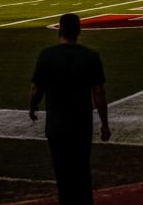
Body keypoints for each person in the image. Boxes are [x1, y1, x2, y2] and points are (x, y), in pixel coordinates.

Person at [29, 13, 111, 205]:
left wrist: (32, 109)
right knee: (82, 171)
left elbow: (36, 89)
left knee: (62, 174)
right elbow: (99, 92)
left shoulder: (47, 55)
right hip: (82, 123)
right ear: (79, 31)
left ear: (60, 30)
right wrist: (105, 124)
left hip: (57, 124)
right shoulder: (90, 56)